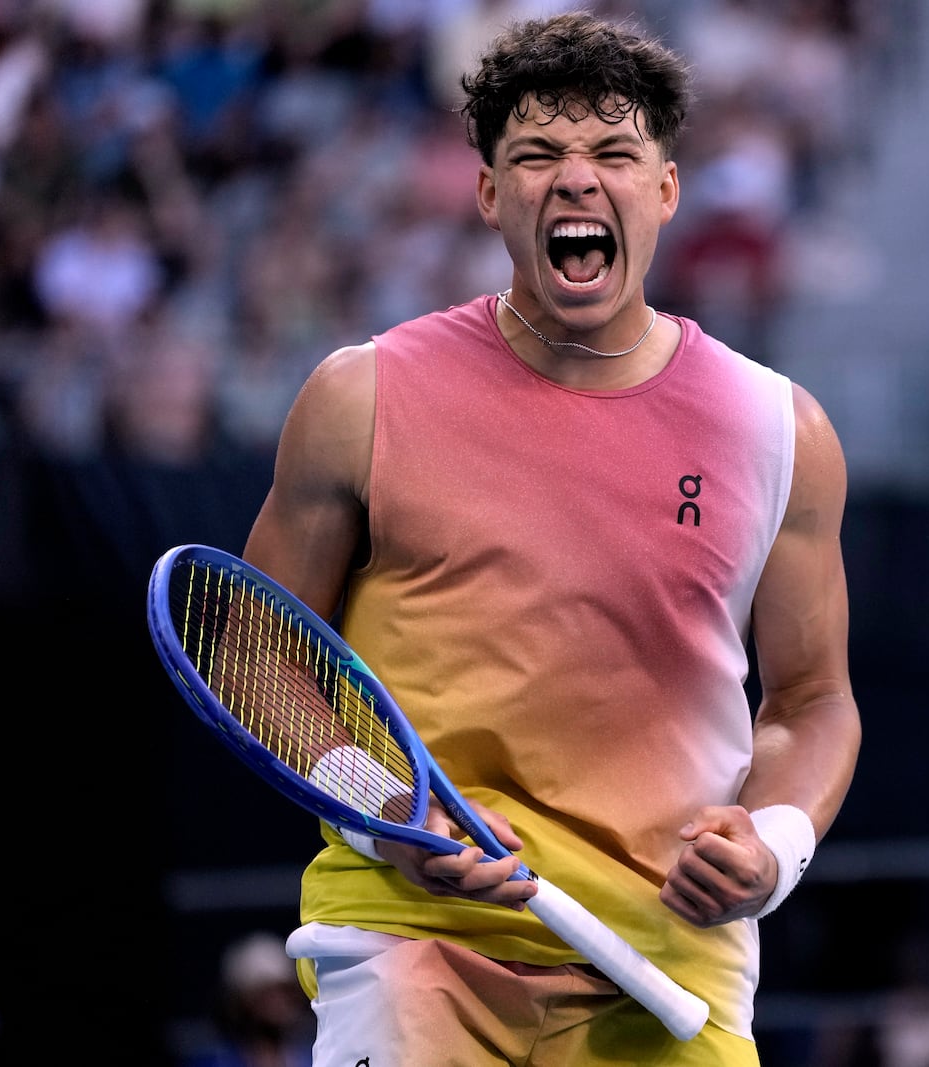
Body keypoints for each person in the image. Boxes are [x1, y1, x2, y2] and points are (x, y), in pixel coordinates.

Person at [237, 11, 861, 1066]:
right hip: (413, 938)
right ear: (489, 193)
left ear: (664, 190)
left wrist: (774, 841)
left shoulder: (779, 430)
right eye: (536, 155)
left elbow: (811, 704)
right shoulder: (362, 394)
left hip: (669, 963)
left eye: (614, 153)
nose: (576, 180)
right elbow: (253, 650)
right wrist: (384, 808)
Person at [180, 930, 316, 1067]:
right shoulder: (209, 1063)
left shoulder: (318, 1058)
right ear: (240, 999)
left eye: (286, 990)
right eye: (266, 992)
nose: (279, 1002)